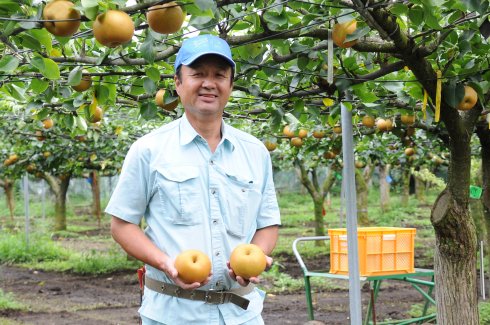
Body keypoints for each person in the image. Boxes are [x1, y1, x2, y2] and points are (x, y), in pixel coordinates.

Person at [106, 34, 281, 325]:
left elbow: (267, 223)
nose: (209, 83)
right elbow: (122, 224)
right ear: (178, 83)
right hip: (172, 314)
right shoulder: (149, 150)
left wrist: (256, 257)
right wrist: (166, 263)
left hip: (242, 315)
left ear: (230, 85)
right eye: (198, 74)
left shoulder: (255, 152)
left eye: (219, 75)